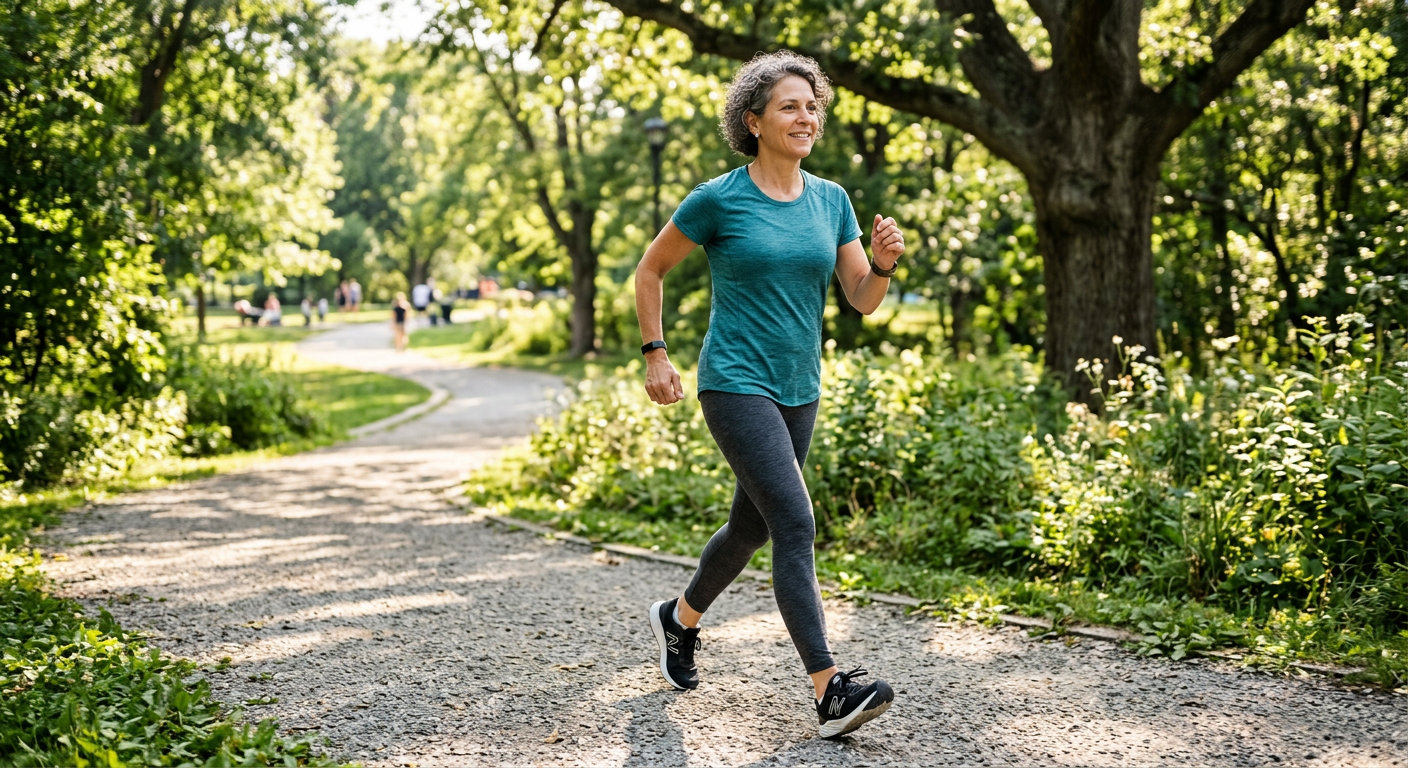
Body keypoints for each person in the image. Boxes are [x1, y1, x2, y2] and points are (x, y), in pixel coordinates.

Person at [633, 51, 906, 739]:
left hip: (798, 386)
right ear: (753, 121)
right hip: (734, 381)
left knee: (753, 526)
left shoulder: (831, 199)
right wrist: (655, 353)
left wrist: (882, 265)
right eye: (790, 105)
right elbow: (650, 270)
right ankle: (829, 689)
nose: (806, 115)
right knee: (795, 522)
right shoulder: (718, 198)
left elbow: (861, 300)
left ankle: (680, 618)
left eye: (812, 106)